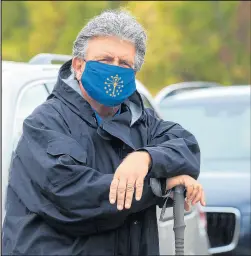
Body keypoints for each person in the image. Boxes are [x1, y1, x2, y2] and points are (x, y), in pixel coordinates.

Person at [2, 10, 205, 256]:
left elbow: (187, 147)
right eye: (105, 60)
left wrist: (145, 158)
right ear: (78, 66)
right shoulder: (44, 124)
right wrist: (160, 184)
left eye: (124, 64)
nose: (114, 70)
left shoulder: (141, 121)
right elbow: (77, 198)